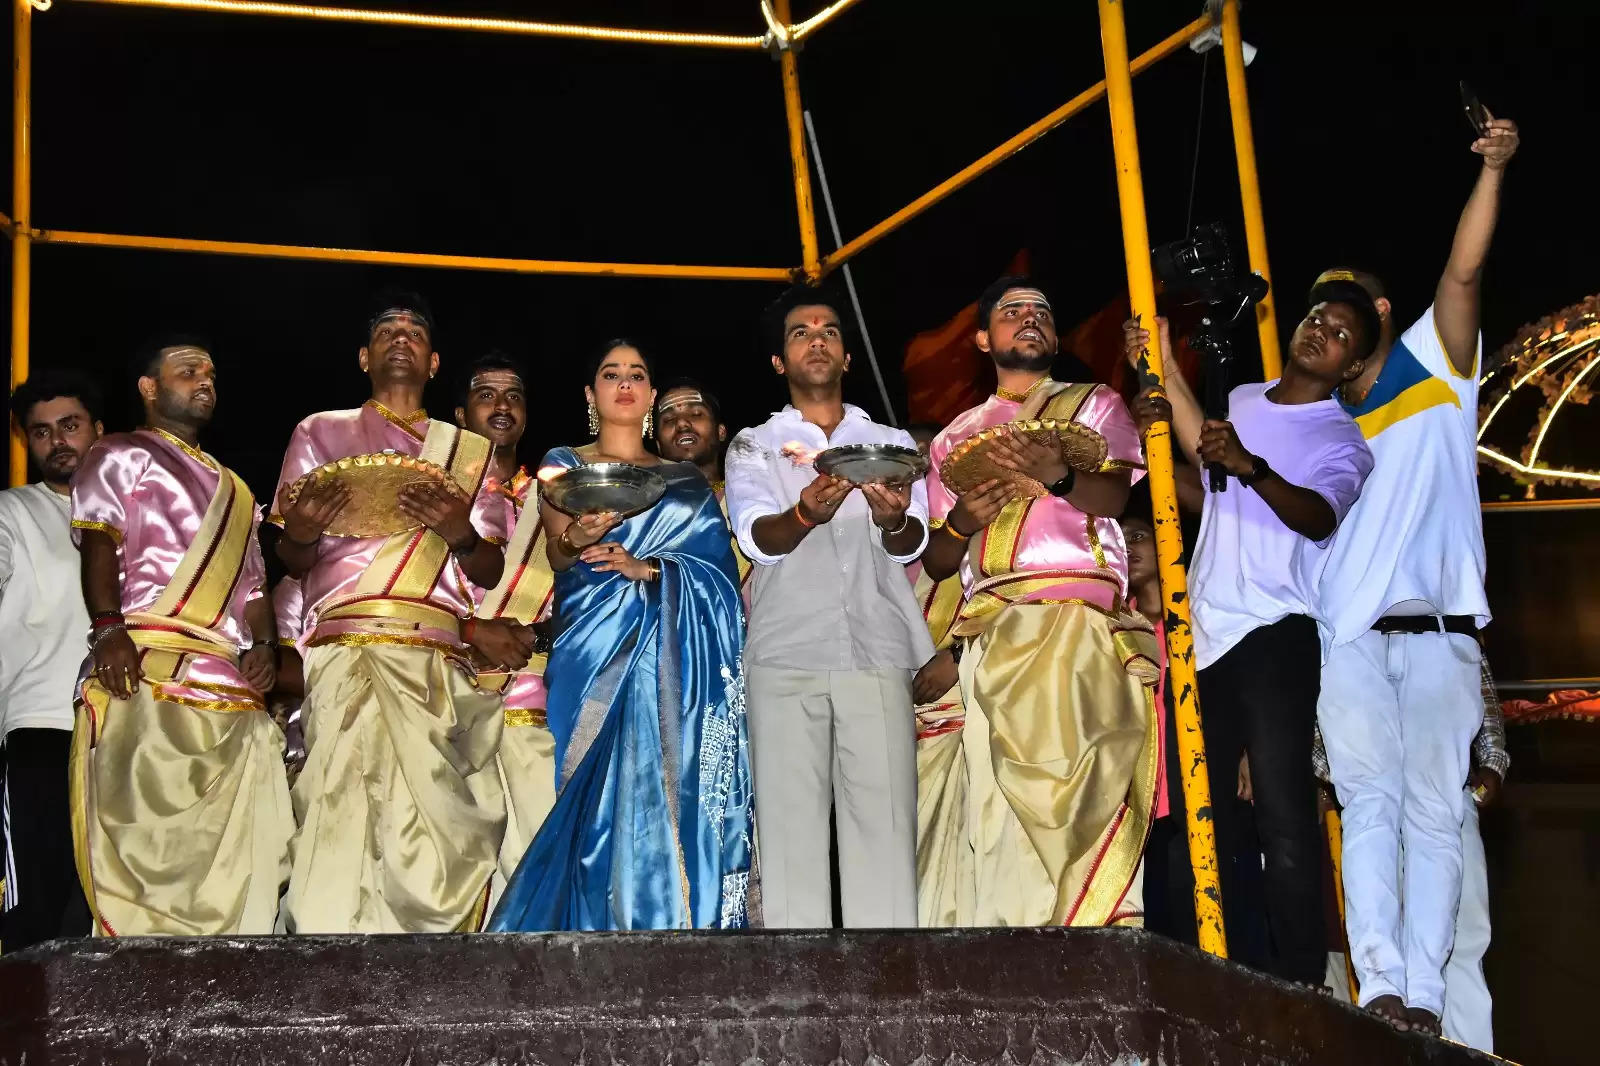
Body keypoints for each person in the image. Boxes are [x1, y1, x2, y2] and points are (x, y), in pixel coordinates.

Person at [1313, 113, 1520, 1034]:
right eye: (1319, 308)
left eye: (1347, 304)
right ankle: (1385, 991)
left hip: (1438, 633)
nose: (1329, 318)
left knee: (1437, 815)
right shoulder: (1313, 419)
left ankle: (1429, 1003)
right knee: (1369, 809)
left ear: (1382, 316)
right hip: (1349, 639)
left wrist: (1493, 170)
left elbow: (1464, 269)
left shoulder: (1437, 367)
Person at [1123, 286, 1377, 984]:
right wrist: (1159, 368)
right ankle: (1217, 974)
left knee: (1283, 815)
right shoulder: (1241, 401)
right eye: (1318, 317)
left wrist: (1249, 465)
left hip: (1275, 634)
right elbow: (1212, 488)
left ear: (1351, 365)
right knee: (1200, 820)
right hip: (1203, 632)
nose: (1322, 331)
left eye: (1342, 335)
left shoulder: (1341, 439)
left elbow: (1318, 517)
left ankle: (1298, 983)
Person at [489, 339, 754, 931]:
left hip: (676, 653)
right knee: (592, 795)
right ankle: (587, 933)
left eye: (637, 374)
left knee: (670, 788)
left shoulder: (686, 481)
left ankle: (677, 924)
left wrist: (654, 570)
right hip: (592, 645)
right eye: (611, 374)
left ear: (652, 394)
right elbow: (559, 557)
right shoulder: (564, 464)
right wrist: (580, 537)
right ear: (591, 394)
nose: (625, 383)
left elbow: (719, 578)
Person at [919, 277, 1156, 927]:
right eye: (1012, 312)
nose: (1030, 320)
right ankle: (1015, 950)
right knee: (996, 811)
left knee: (1089, 780)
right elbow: (939, 562)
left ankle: (1095, 935)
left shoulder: (1094, 404)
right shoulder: (954, 439)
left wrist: (1057, 473)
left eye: (1042, 313)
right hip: (994, 632)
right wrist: (964, 521)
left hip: (1080, 626)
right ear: (981, 338)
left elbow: (1112, 500)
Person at [272, 292, 509, 934]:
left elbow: (488, 572)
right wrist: (297, 530)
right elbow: (292, 559)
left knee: (432, 817)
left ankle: (431, 960)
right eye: (385, 331)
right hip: (345, 646)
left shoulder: (468, 452)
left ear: (434, 363)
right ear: (363, 356)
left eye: (414, 332)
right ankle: (327, 947)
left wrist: (461, 532)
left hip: (435, 656)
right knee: (338, 803)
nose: (400, 338)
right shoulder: (319, 431)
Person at [724, 288, 931, 929]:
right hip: (785, 653)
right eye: (800, 333)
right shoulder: (754, 446)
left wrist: (893, 520)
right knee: (790, 834)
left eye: (829, 331)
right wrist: (807, 513)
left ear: (845, 356)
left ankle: (889, 989)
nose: (817, 339)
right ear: (780, 362)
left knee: (887, 828)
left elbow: (911, 541)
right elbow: (758, 538)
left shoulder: (890, 441)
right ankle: (799, 995)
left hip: (878, 648)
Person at [70, 339, 291, 935]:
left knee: (240, 859)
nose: (204, 381)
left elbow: (252, 589)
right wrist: (109, 632)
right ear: (148, 387)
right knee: (146, 841)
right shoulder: (118, 453)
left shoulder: (239, 492)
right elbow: (99, 542)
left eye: (211, 374)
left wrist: (264, 647)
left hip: (226, 677)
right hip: (145, 664)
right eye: (188, 370)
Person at [1313, 652, 1508, 1053]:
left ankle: (1471, 1052)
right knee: (1386, 943)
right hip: (1373, 793)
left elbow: (1466, 652)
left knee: (1465, 936)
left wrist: (1493, 759)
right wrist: (1335, 774)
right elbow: (1324, 675)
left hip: (1445, 786)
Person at [0, 372, 101, 951]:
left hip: (128, 737)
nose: (58, 441)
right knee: (34, 913)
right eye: (41, 432)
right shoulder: (14, 512)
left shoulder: (138, 522)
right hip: (42, 729)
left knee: (102, 912)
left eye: (70, 425)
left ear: (99, 431)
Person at [454, 352, 558, 898]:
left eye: (514, 395)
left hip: (533, 702)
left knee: (533, 861)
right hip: (444, 699)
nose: (502, 405)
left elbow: (579, 600)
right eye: (486, 393)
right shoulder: (436, 490)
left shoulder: (554, 499)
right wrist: (472, 633)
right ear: (459, 411)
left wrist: (537, 636)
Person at [654, 380, 751, 591]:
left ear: (721, 431)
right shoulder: (647, 509)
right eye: (669, 419)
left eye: (696, 414)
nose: (682, 424)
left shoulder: (752, 495)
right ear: (658, 445)